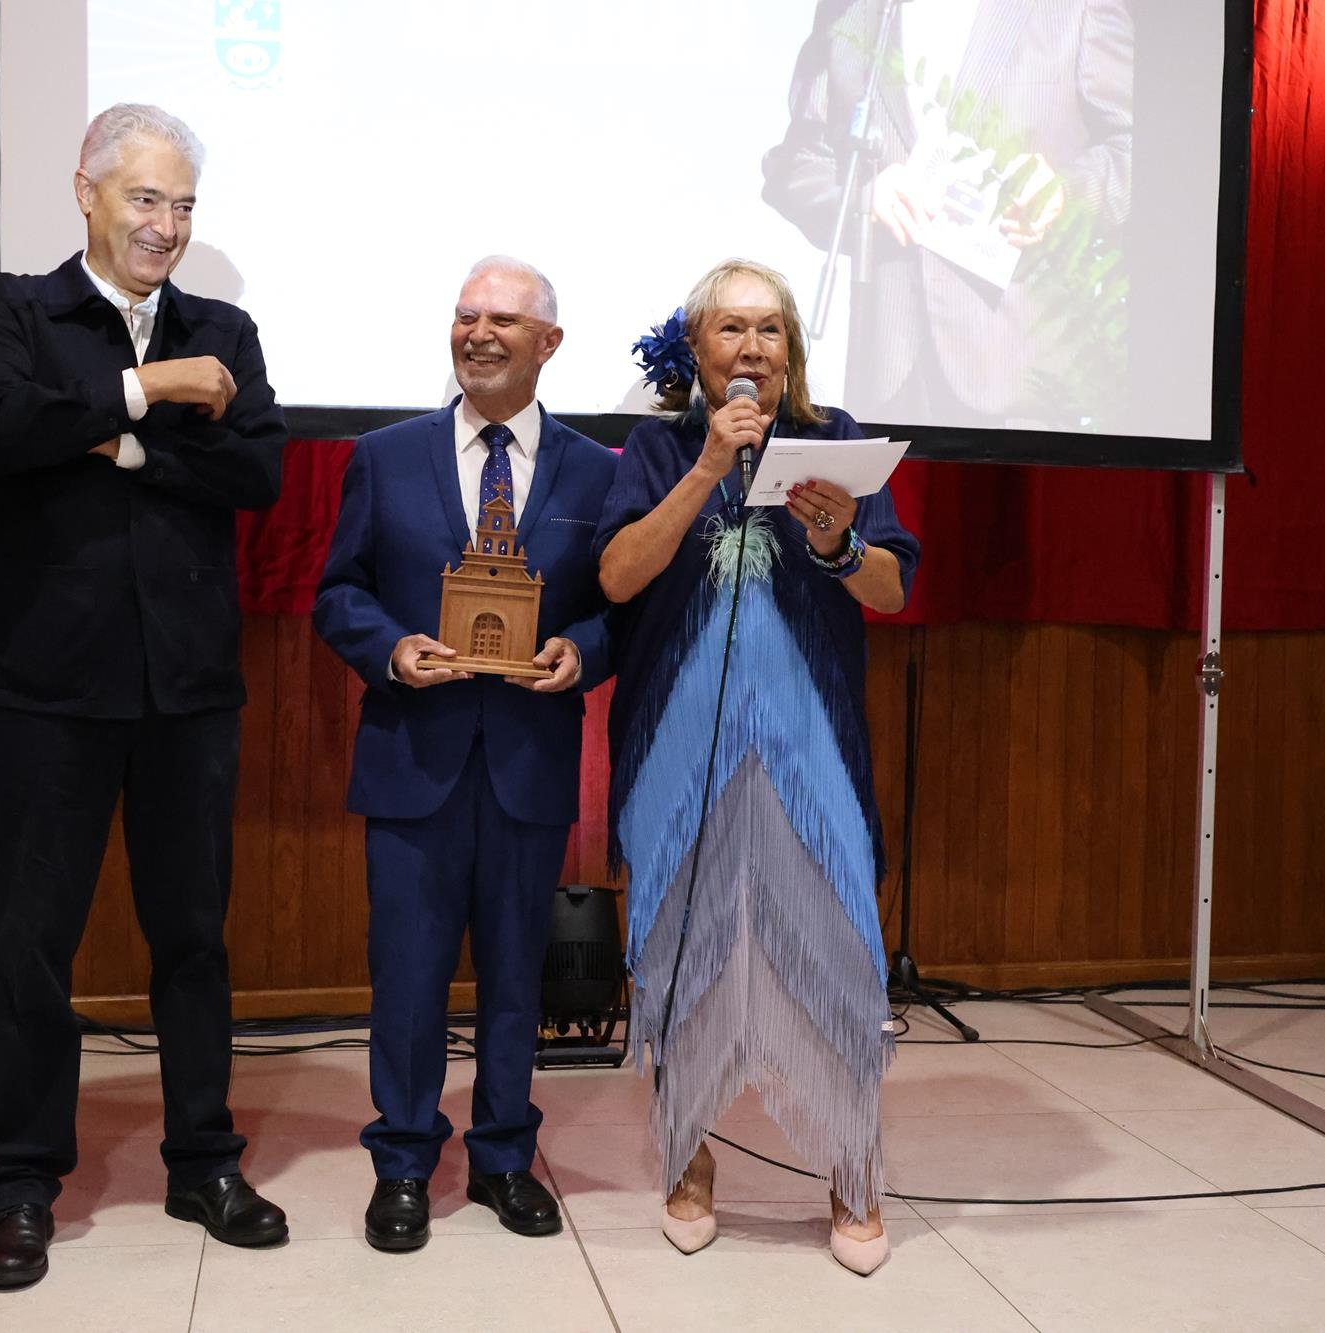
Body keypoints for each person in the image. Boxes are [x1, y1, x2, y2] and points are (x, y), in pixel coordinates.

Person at [0, 102, 289, 1291]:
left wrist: (112, 440)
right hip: (46, 686)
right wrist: (147, 393)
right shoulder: (16, 310)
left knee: (191, 935)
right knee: (33, 943)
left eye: (184, 205)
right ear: (86, 192)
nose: (166, 226)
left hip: (187, 686)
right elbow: (1, 426)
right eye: (146, 199)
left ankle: (202, 1160)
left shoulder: (224, 329)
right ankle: (21, 1182)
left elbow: (255, 469)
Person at [594, 259, 920, 1275]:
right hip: (678, 739)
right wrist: (704, 469)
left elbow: (891, 588)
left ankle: (852, 1168)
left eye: (769, 329)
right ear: (695, 350)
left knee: (837, 941)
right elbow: (616, 576)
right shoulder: (657, 447)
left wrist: (836, 541)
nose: (750, 348)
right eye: (729, 329)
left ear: (792, 350)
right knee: (682, 945)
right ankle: (688, 1159)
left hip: (808, 735)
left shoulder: (835, 440)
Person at [313, 257, 617, 1253]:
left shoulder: (597, 471)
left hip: (529, 764)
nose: (477, 333)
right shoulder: (384, 456)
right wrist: (388, 649)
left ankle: (501, 1157)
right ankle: (402, 1162)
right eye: (464, 315)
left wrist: (583, 651)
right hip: (412, 757)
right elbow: (338, 592)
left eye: (502, 319)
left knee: (516, 976)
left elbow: (618, 606)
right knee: (406, 975)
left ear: (549, 344)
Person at [762, 0, 1133, 428]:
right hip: (888, 366)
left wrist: (1066, 192)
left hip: (1022, 373)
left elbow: (1141, 148)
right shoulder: (850, 10)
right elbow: (796, 161)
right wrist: (864, 195)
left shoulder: (1075, 8)